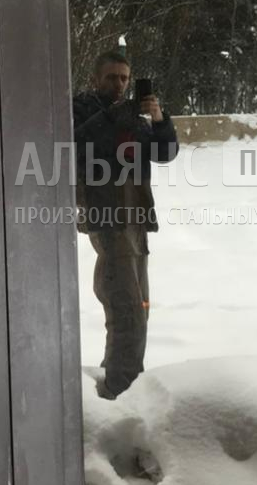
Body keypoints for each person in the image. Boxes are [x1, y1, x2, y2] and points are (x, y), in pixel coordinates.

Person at [73, 51, 179, 399]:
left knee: (140, 307)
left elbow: (165, 153)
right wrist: (111, 117)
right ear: (95, 79)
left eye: (124, 78)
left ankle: (119, 380)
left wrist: (159, 120)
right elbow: (75, 145)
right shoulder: (82, 109)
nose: (118, 84)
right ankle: (120, 390)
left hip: (136, 217)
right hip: (107, 215)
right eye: (111, 77)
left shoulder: (134, 117)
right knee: (126, 306)